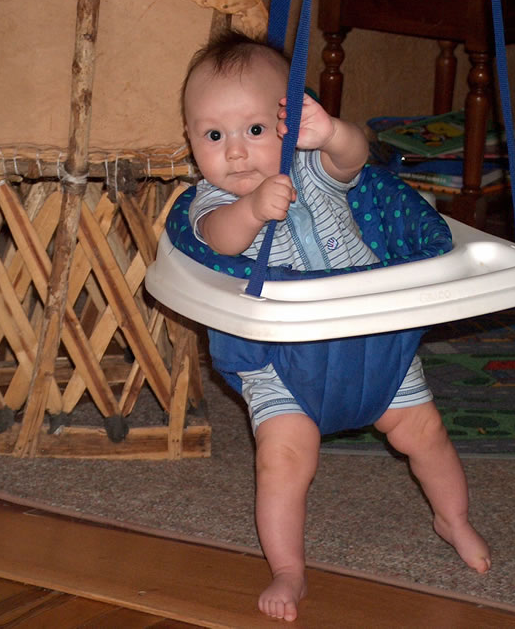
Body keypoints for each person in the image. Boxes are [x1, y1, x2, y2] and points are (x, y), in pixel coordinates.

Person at [181, 30, 491, 622]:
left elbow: (354, 160)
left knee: (425, 435)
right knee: (283, 462)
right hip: (282, 362)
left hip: (375, 346)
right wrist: (248, 211)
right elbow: (217, 239)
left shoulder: (314, 171)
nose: (236, 153)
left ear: (289, 125)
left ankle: (452, 519)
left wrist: (334, 135)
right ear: (191, 141)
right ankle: (288, 569)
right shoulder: (209, 201)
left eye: (254, 130)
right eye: (213, 135)